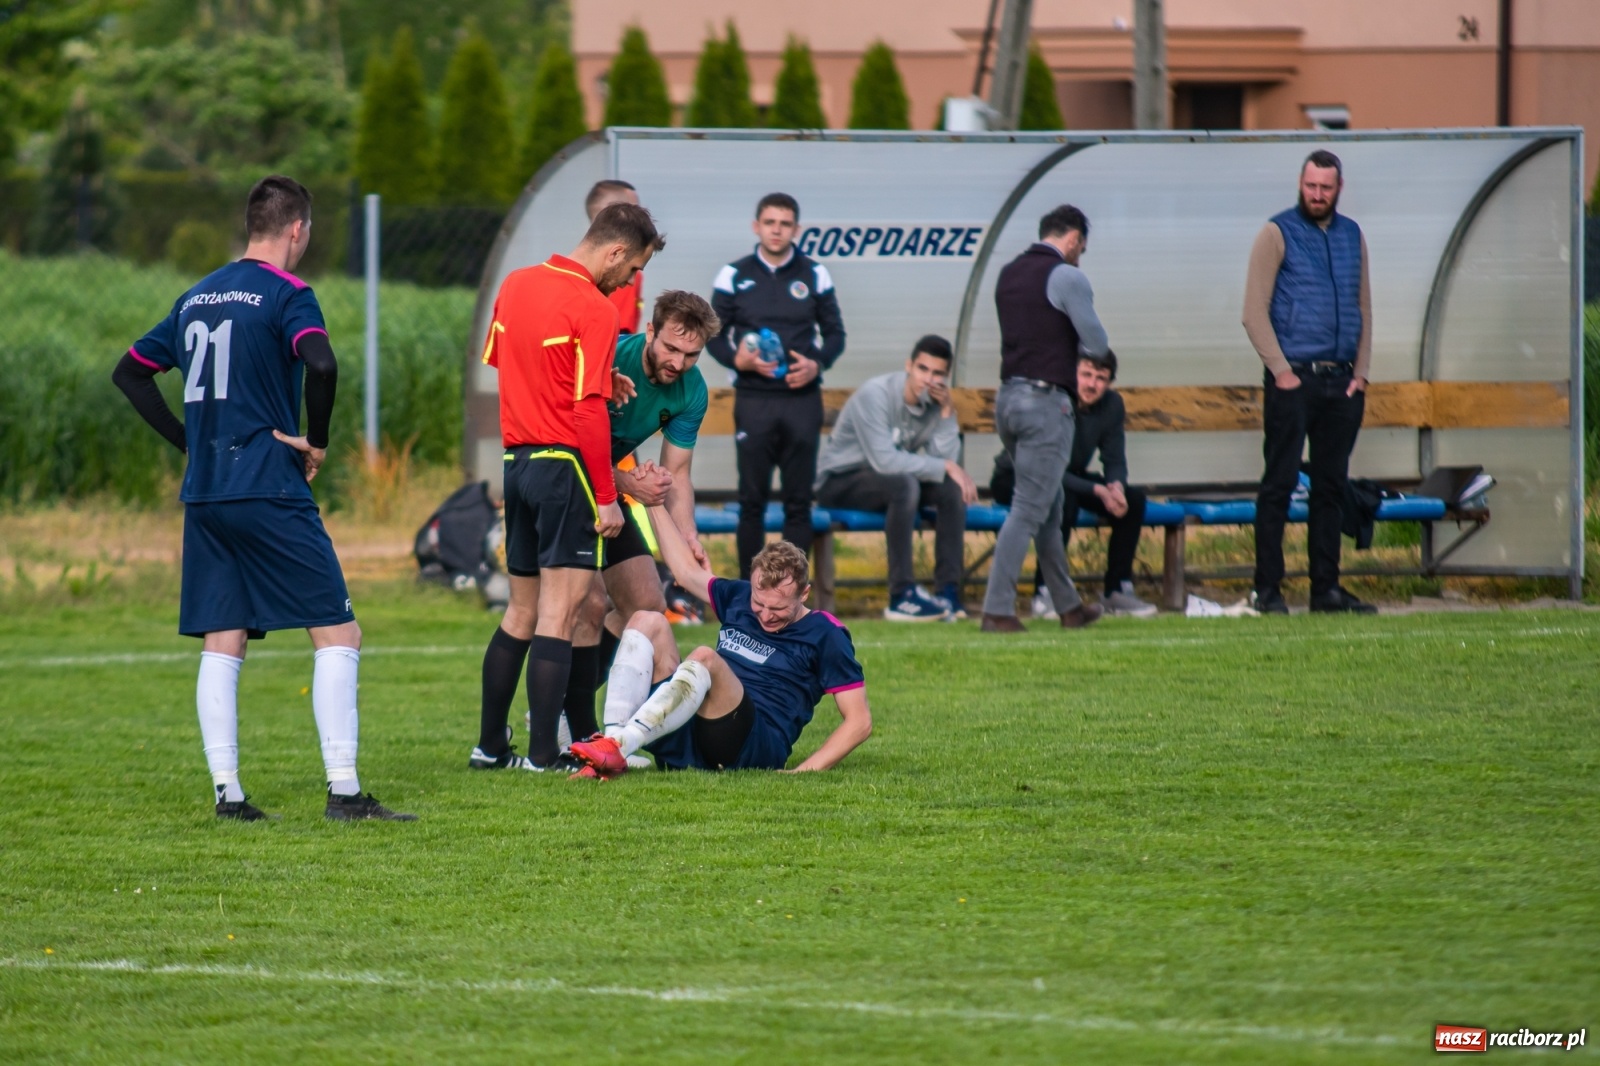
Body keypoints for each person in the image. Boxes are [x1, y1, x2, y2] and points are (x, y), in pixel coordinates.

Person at [110, 175, 414, 821]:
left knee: (223, 638)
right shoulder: (288, 293)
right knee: (339, 631)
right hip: (268, 483)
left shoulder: (195, 296)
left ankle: (230, 795)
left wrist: (186, 440)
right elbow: (323, 365)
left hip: (208, 491)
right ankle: (346, 793)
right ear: (297, 229)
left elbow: (131, 372)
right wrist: (318, 442)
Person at [469, 202, 665, 772]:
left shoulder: (516, 283)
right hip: (565, 472)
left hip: (518, 464)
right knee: (562, 613)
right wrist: (606, 496)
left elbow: (514, 363)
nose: (630, 282)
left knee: (521, 613)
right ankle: (542, 756)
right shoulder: (594, 309)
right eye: (632, 270)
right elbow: (586, 415)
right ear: (615, 252)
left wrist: (601, 375)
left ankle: (489, 747)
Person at [567, 510, 871, 779]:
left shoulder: (826, 633)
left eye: (778, 609)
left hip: (752, 747)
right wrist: (653, 503)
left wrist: (803, 771)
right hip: (694, 728)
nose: (765, 615)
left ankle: (618, 746)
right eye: (758, 603)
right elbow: (686, 573)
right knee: (647, 620)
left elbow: (860, 722)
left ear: (804, 594)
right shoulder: (738, 596)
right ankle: (612, 746)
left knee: (705, 658)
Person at [554, 290, 719, 748]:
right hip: (564, 486)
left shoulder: (692, 389)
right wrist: (630, 485)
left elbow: (677, 473)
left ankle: (576, 709)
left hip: (612, 491)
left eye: (691, 354)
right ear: (649, 332)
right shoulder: (611, 357)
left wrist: (688, 534)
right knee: (584, 607)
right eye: (671, 348)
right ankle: (561, 719)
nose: (679, 362)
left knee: (645, 605)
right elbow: (566, 447)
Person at [1243, 149, 1376, 615]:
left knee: (1330, 488)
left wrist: (1360, 375)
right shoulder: (1276, 232)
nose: (1317, 195)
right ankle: (1269, 589)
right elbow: (1253, 311)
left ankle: (1327, 590)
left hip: (1341, 385)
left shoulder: (1352, 235)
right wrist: (1281, 371)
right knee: (1278, 484)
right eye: (1310, 186)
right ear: (1300, 185)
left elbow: (1364, 308)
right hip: (1293, 381)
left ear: (1339, 189)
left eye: (1325, 187)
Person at [981, 205, 1110, 633]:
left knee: (1048, 507)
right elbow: (1096, 342)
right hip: (1044, 404)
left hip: (1007, 400)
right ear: (1073, 239)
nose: (1080, 257)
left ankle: (1068, 607)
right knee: (1028, 509)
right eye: (1082, 250)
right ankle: (997, 609)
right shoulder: (1067, 276)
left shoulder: (1008, 273)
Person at [709, 192, 847, 578]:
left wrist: (817, 363)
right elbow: (712, 334)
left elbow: (836, 335)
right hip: (754, 401)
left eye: (785, 224)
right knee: (750, 501)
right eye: (770, 222)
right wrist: (736, 359)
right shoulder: (733, 274)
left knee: (798, 503)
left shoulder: (814, 273)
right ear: (757, 226)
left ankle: (790, 593)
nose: (777, 230)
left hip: (801, 401)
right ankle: (747, 594)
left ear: (796, 229)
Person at [815, 334, 977, 621]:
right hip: (840, 481)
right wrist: (944, 467)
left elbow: (945, 458)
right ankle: (902, 596)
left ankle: (948, 593)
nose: (929, 379)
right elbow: (885, 460)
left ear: (946, 377)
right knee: (906, 485)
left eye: (938, 373)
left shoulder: (936, 404)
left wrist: (947, 413)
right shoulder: (875, 394)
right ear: (909, 366)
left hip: (890, 483)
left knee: (949, 489)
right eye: (923, 369)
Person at [995, 352, 1159, 619]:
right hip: (1018, 473)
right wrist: (1097, 490)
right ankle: (1044, 593)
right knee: (1061, 499)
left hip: (1070, 476)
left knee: (1134, 500)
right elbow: (1045, 468)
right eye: (1086, 375)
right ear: (1073, 374)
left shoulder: (1112, 405)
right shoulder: (1051, 399)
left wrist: (1115, 487)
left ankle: (1117, 590)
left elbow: (1115, 458)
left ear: (1109, 383)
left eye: (1101, 378)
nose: (1092, 384)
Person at [586, 180, 645, 334]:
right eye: (634, 211)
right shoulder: (620, 267)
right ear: (610, 214)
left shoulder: (573, 268)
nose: (642, 220)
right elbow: (619, 335)